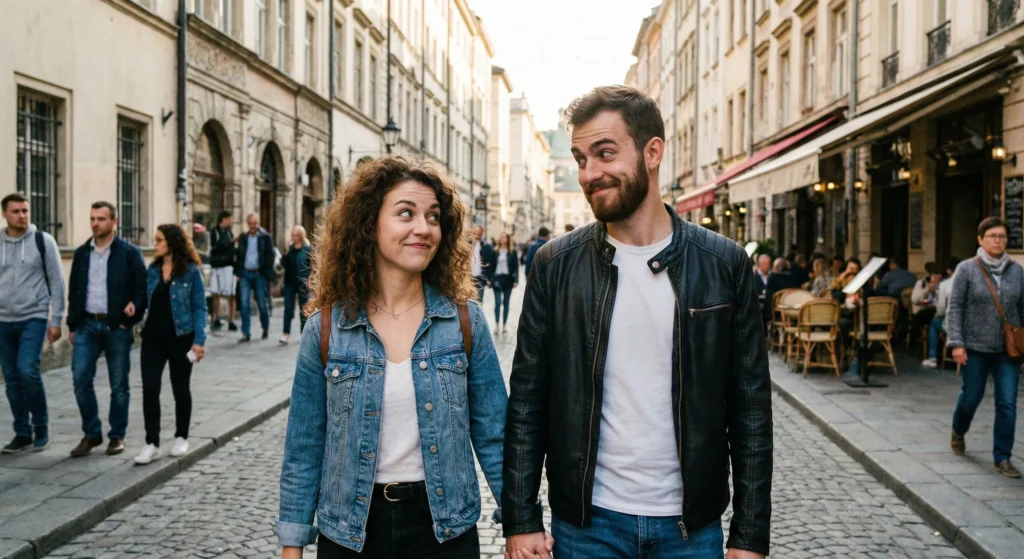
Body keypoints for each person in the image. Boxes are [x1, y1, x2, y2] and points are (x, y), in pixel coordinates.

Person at [503, 86, 771, 559]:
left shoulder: (723, 264)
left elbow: (750, 409)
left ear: (652, 153)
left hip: (690, 530)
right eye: (581, 159)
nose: (589, 173)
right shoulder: (555, 265)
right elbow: (528, 400)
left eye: (605, 153)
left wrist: (749, 536)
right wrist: (521, 519)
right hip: (588, 527)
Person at [276, 156, 511, 558]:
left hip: (445, 531)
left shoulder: (464, 321)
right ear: (370, 225)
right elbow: (304, 445)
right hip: (350, 532)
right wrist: (292, 543)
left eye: (433, 216)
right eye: (406, 213)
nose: (424, 227)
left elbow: (494, 434)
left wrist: (521, 523)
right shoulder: (328, 328)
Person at [66, 201, 147, 457]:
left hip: (116, 326)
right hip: (87, 324)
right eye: (92, 219)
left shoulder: (129, 253)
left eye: (101, 219)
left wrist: (132, 312)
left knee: (119, 384)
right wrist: (72, 324)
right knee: (80, 379)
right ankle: (92, 433)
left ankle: (117, 435)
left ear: (114, 221)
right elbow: (74, 290)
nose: (95, 224)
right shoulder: (82, 253)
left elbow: (141, 289)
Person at [946, 217, 1024, 478]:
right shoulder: (966, 269)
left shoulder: (1017, 271)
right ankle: (958, 430)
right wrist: (956, 342)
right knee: (971, 397)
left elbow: (1022, 309)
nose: (997, 240)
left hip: (1007, 351)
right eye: (992, 236)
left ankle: (1003, 457)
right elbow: (955, 307)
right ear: (980, 239)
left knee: (1007, 403)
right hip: (975, 347)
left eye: (1002, 236)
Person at [134, 225, 207, 465]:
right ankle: (151, 443)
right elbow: (144, 300)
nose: (155, 244)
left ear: (172, 242)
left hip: (181, 338)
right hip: (152, 338)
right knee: (150, 389)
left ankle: (181, 436)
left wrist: (199, 341)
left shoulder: (191, 271)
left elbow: (199, 307)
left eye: (159, 240)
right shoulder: (153, 270)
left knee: (180, 387)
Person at [0, 193, 65, 453]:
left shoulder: (43, 241)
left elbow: (57, 281)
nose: (22, 216)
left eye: (25, 211)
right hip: (2, 321)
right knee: (11, 379)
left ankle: (41, 425)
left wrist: (56, 319)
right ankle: (22, 433)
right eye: (16, 211)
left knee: (27, 370)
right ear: (4, 214)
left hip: (34, 317)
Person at [235, 213, 275, 343]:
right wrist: (238, 273)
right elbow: (239, 256)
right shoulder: (243, 237)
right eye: (250, 224)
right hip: (245, 274)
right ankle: (245, 333)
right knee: (244, 304)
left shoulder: (265, 237)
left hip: (259, 274)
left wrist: (267, 274)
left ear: (258, 223)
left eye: (255, 224)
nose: (253, 226)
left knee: (262, 304)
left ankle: (265, 327)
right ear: (248, 224)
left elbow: (270, 256)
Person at [922, 257, 960, 368]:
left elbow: (941, 309)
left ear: (948, 271)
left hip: (953, 326)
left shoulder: (945, 284)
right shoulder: (971, 282)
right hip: (970, 326)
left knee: (934, 323)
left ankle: (932, 357)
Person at [280, 225, 312, 344]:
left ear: (301, 236)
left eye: (296, 235)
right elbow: (283, 264)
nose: (294, 237)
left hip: (303, 283)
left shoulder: (308, 249)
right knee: (288, 309)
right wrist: (286, 251)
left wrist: (310, 280)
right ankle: (285, 334)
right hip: (289, 283)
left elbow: (312, 266)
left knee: (304, 310)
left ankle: (304, 335)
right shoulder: (289, 249)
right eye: (293, 235)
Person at [208, 211, 238, 332]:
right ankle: (216, 318)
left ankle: (231, 320)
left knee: (231, 294)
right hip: (217, 265)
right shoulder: (214, 231)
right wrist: (231, 243)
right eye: (230, 219)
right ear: (224, 219)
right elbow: (216, 246)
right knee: (216, 293)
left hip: (229, 265)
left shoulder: (229, 232)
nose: (231, 221)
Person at [484, 231, 519, 332]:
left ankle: (504, 325)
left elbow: (516, 266)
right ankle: (497, 325)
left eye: (504, 237)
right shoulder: (495, 251)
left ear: (507, 239)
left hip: (508, 279)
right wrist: (488, 279)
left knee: (506, 303)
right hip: (497, 279)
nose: (502, 238)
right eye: (501, 236)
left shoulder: (512, 251)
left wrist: (516, 280)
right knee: (498, 302)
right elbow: (490, 266)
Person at [470, 225, 494, 302]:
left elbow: (490, 263)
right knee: (469, 300)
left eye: (479, 232)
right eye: (475, 231)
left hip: (480, 277)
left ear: (482, 233)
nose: (477, 233)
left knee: (479, 301)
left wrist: (488, 278)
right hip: (468, 277)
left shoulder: (486, 247)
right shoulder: (467, 245)